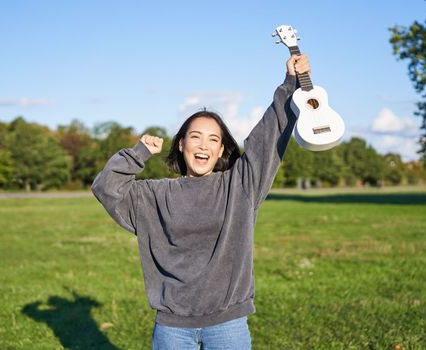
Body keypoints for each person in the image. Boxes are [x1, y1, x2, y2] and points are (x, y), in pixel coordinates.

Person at [91, 54, 310, 349]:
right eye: (195, 137)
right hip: (172, 328)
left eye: (213, 139)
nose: (203, 145)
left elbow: (268, 136)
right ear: (182, 144)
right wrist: (137, 154)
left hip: (228, 325)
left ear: (221, 150)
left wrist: (291, 83)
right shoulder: (155, 195)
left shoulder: (240, 186)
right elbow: (107, 187)